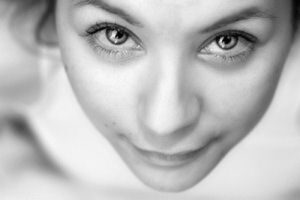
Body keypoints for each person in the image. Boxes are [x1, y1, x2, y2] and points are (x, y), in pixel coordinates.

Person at [2, 0, 300, 198]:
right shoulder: (26, 59)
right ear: (50, 15)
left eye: (227, 41)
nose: (164, 125)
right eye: (115, 34)